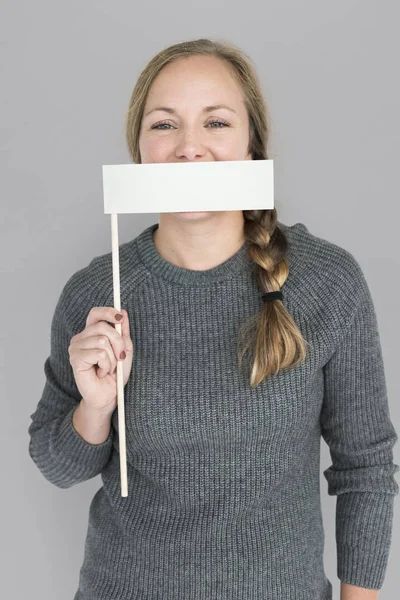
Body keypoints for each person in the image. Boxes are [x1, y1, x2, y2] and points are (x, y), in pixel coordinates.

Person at [28, 38, 399, 600]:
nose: (189, 148)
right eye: (164, 125)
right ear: (140, 153)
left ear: (252, 149)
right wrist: (96, 405)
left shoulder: (328, 282)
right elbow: (58, 466)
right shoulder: (95, 293)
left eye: (217, 123)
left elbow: (367, 469)